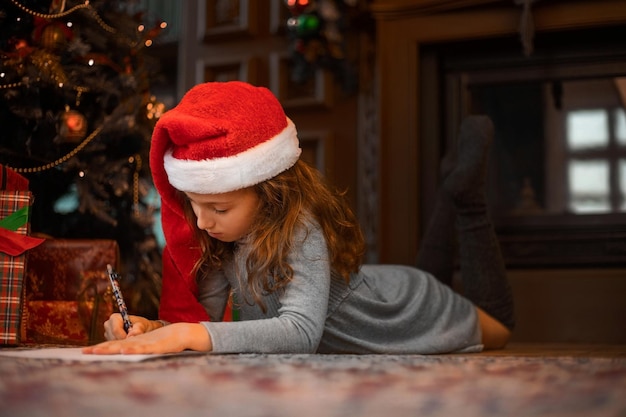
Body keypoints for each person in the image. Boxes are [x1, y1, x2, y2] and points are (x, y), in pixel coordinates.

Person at [83, 81, 514, 356]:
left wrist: (189, 336)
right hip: (381, 286)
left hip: (407, 310)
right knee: (430, 272)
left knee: (502, 325)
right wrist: (153, 328)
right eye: (194, 206)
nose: (203, 223)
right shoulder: (220, 238)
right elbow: (205, 324)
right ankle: (450, 191)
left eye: (218, 208)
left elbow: (301, 332)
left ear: (270, 193)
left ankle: (465, 199)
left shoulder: (299, 228)